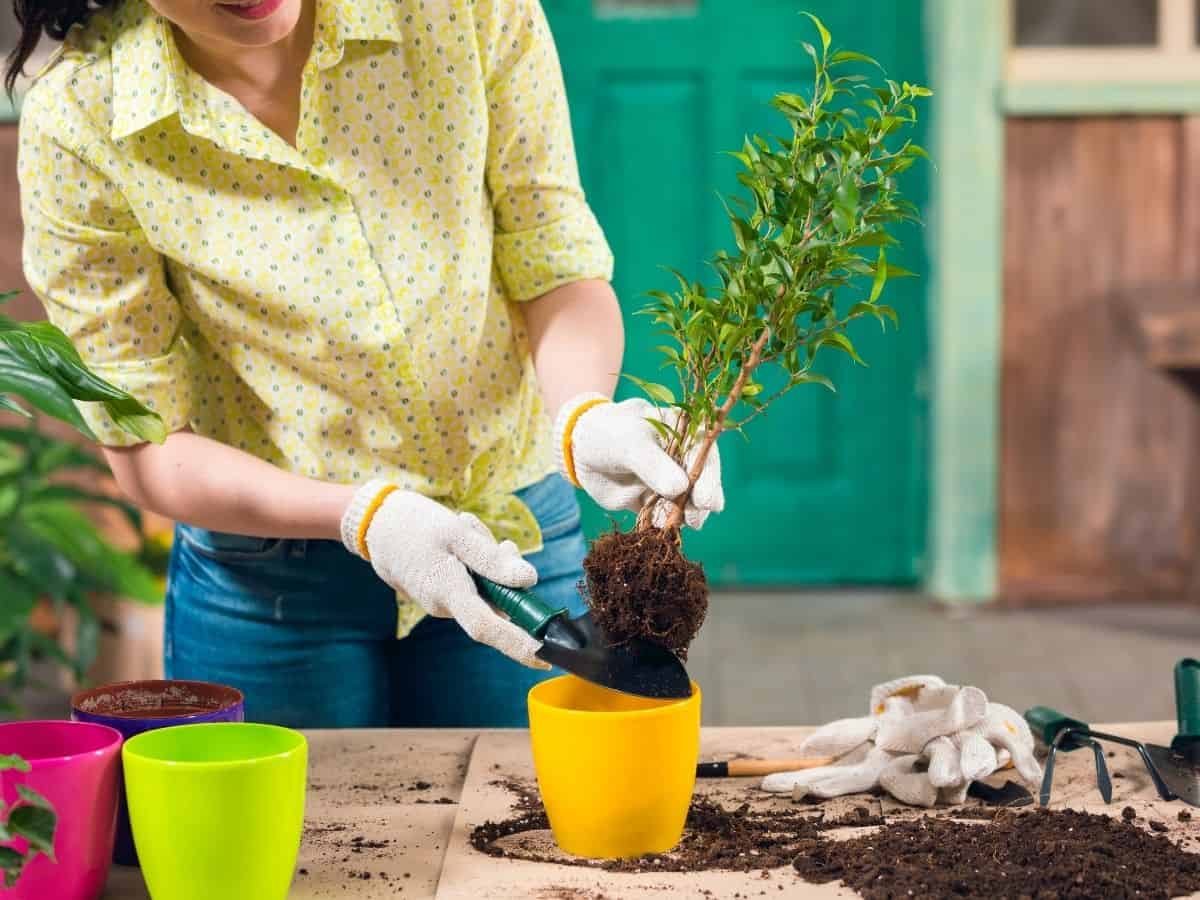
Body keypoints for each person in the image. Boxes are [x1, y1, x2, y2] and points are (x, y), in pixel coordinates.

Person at [12, 0, 722, 728]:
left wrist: (582, 413)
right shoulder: (82, 119)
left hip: (514, 544)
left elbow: (553, 262)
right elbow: (147, 444)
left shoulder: (463, 12)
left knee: (537, 832)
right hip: (271, 592)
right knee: (298, 843)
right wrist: (364, 516)